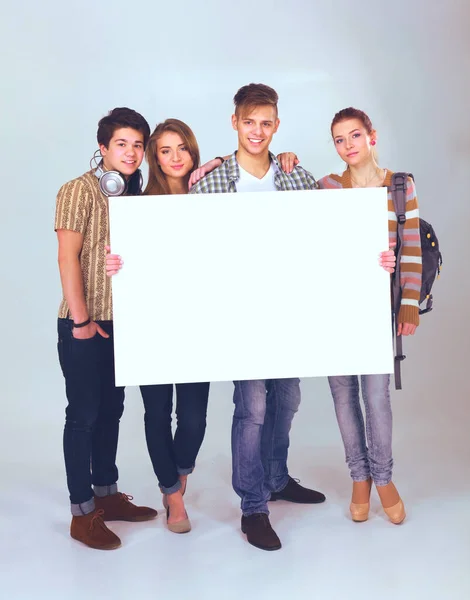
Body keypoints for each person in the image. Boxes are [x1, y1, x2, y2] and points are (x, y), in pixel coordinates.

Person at [105, 118, 300, 535]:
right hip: (152, 328)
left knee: (193, 419)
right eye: (165, 151)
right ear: (155, 159)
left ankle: (178, 475)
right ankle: (174, 499)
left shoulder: (209, 192)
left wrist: (283, 159)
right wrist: (115, 264)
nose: (175, 158)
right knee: (157, 414)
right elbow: (123, 258)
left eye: (183, 149)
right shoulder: (138, 204)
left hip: (198, 329)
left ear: (193, 153)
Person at [188, 83, 329, 552]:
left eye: (266, 123)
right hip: (237, 315)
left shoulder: (294, 176)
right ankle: (253, 507)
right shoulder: (210, 182)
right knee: (252, 408)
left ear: (277, 125)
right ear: (234, 122)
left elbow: (330, 222)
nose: (257, 131)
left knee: (286, 399)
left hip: (289, 311)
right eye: (249, 122)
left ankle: (276, 477)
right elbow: (185, 245)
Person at [55, 107, 158, 551]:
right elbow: (67, 258)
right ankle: (82, 514)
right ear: (102, 148)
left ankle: (108, 496)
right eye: (122, 143)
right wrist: (81, 320)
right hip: (84, 323)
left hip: (121, 323)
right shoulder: (78, 190)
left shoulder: (133, 195)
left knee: (112, 411)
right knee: (83, 417)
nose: (131, 152)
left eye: (138, 144)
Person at [318, 107, 422, 524]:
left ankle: (383, 477)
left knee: (376, 398)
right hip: (334, 309)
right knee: (343, 397)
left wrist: (409, 301)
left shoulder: (399, 186)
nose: (348, 146)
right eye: (339, 140)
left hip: (378, 308)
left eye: (354, 136)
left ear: (371, 136)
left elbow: (411, 246)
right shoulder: (325, 186)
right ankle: (359, 477)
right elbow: (308, 239)